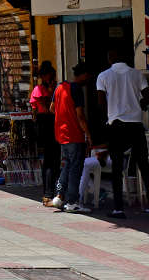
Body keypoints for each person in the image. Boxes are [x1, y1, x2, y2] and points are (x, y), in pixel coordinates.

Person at [96, 48, 149, 219]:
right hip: (135, 125)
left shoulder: (103, 76)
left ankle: (118, 208)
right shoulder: (136, 74)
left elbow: (101, 103)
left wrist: (110, 115)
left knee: (117, 168)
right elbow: (148, 98)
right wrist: (138, 105)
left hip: (116, 125)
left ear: (110, 58)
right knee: (143, 164)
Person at [51, 63, 92, 213]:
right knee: (75, 168)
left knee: (67, 165)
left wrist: (63, 115)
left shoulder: (59, 87)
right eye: (87, 76)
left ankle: (60, 196)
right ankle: (72, 202)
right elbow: (80, 115)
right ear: (82, 75)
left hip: (62, 134)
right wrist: (88, 134)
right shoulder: (76, 89)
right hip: (74, 134)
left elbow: (51, 108)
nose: (88, 79)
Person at [30, 62, 60, 206]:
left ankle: (54, 191)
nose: (51, 77)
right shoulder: (39, 89)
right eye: (48, 75)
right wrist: (52, 90)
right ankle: (47, 193)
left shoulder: (55, 89)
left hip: (54, 123)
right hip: (46, 124)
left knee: (55, 160)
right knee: (49, 160)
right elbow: (47, 108)